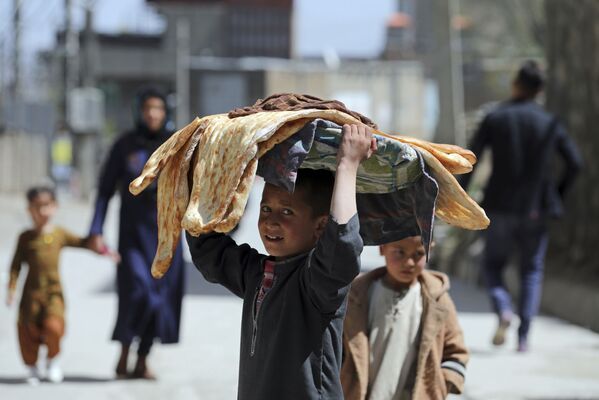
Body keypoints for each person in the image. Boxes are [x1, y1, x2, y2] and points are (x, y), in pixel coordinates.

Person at [186, 124, 376, 399]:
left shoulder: (317, 284)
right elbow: (207, 250)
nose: (271, 221)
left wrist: (347, 165)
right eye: (266, 209)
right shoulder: (257, 273)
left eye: (287, 211)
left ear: (321, 226)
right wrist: (214, 172)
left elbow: (342, 247)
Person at [460, 60, 582, 351]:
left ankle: (503, 309)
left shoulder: (496, 118)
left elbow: (468, 159)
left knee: (491, 266)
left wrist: (461, 199)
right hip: (537, 208)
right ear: (540, 90)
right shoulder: (549, 123)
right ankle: (524, 337)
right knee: (531, 270)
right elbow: (575, 163)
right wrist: (556, 197)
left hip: (499, 206)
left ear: (516, 85)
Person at [88, 87, 185, 379]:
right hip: (132, 237)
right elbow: (104, 192)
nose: (153, 114)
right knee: (139, 292)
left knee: (160, 300)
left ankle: (142, 359)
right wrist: (96, 230)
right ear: (139, 111)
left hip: (168, 237)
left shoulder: (176, 144)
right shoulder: (124, 146)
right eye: (148, 108)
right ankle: (124, 350)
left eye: (159, 108)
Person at [6, 186, 117, 385]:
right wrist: (11, 289)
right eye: (36, 207)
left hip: (53, 294)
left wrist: (104, 250)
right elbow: (15, 266)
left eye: (46, 206)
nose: (42, 212)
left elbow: (84, 243)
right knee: (27, 330)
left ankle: (51, 360)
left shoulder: (59, 234)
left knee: (54, 327)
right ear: (29, 210)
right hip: (31, 296)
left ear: (55, 207)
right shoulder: (25, 238)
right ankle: (32, 366)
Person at [341, 236, 469, 400]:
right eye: (399, 252)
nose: (409, 262)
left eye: (418, 253)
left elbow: (456, 350)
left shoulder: (437, 300)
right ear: (382, 248)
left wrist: (443, 383)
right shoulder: (358, 296)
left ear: (430, 250)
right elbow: (337, 347)